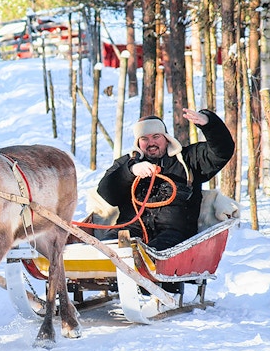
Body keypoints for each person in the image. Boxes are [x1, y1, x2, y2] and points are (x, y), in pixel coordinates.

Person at [97, 108, 235, 253]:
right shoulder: (127, 163)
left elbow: (223, 151)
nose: (151, 143)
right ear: (138, 142)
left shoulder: (189, 159)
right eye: (144, 139)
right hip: (129, 229)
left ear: (166, 137)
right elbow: (106, 193)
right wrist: (130, 172)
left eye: (156, 136)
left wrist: (210, 124)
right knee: (104, 250)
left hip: (174, 235)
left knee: (153, 255)